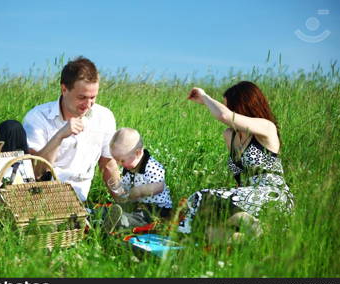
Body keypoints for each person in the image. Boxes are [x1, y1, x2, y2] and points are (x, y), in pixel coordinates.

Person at [178, 81, 294, 236]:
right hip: (245, 197)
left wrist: (204, 96)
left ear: (241, 107)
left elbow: (224, 115)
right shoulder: (230, 135)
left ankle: (261, 228)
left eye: (228, 106)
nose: (225, 109)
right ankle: (258, 235)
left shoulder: (266, 127)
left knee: (201, 197)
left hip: (272, 195)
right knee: (209, 231)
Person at [22, 56, 118, 202]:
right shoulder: (37, 117)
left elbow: (108, 165)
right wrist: (60, 136)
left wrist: (125, 200)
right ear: (64, 89)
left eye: (93, 97)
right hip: (41, 199)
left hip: (79, 201)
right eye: (82, 97)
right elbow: (35, 171)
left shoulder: (104, 117)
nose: (88, 104)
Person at [103, 128, 172, 233]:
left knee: (142, 217)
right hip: (139, 205)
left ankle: (124, 221)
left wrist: (139, 191)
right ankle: (108, 217)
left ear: (138, 153)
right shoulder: (129, 168)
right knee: (126, 208)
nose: (118, 164)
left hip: (157, 208)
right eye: (116, 160)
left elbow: (159, 186)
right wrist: (121, 191)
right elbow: (126, 185)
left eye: (122, 160)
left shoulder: (151, 166)